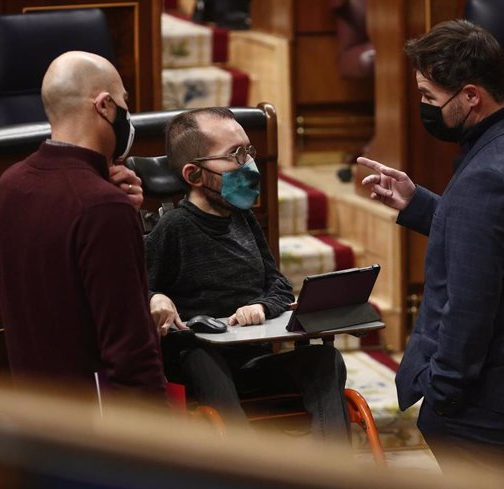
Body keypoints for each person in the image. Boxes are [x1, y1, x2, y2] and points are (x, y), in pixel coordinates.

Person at [358, 20, 504, 482]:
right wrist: (419, 204)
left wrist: (444, 394)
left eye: (430, 97)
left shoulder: (485, 177)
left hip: (481, 403)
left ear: (471, 95)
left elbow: (470, 306)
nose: (423, 107)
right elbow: (496, 245)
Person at [145, 107, 350, 442]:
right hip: (204, 368)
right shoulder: (174, 228)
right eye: (234, 155)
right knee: (200, 357)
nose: (249, 164)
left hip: (253, 361)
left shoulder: (243, 219)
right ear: (195, 175)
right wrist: (156, 296)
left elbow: (279, 286)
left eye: (248, 151)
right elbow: (135, 289)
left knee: (326, 360)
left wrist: (262, 307)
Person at [0, 51, 165, 397]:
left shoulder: (10, 183)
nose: (128, 115)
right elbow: (131, 355)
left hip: (35, 417)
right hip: (95, 430)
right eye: (123, 102)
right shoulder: (102, 207)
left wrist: (109, 195)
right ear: (104, 106)